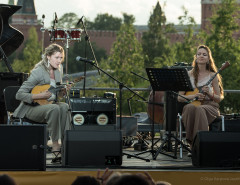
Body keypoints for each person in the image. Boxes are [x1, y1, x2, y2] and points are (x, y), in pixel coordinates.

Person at [13, 43, 72, 161]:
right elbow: (19, 94)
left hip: (46, 106)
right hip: (30, 108)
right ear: (48, 57)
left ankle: (67, 144)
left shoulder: (57, 71)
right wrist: (39, 95)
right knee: (55, 108)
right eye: (57, 57)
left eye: (61, 58)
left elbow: (55, 96)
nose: (59, 61)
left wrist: (63, 92)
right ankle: (56, 146)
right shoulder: (38, 72)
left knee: (64, 107)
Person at [178, 45, 224, 150]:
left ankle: (201, 145)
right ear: (196, 57)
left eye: (204, 54)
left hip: (210, 106)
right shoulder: (188, 75)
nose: (201, 56)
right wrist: (194, 95)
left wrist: (209, 94)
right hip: (193, 104)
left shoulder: (213, 75)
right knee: (190, 108)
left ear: (208, 59)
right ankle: (192, 144)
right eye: (199, 54)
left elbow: (219, 98)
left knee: (199, 109)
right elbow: (179, 98)